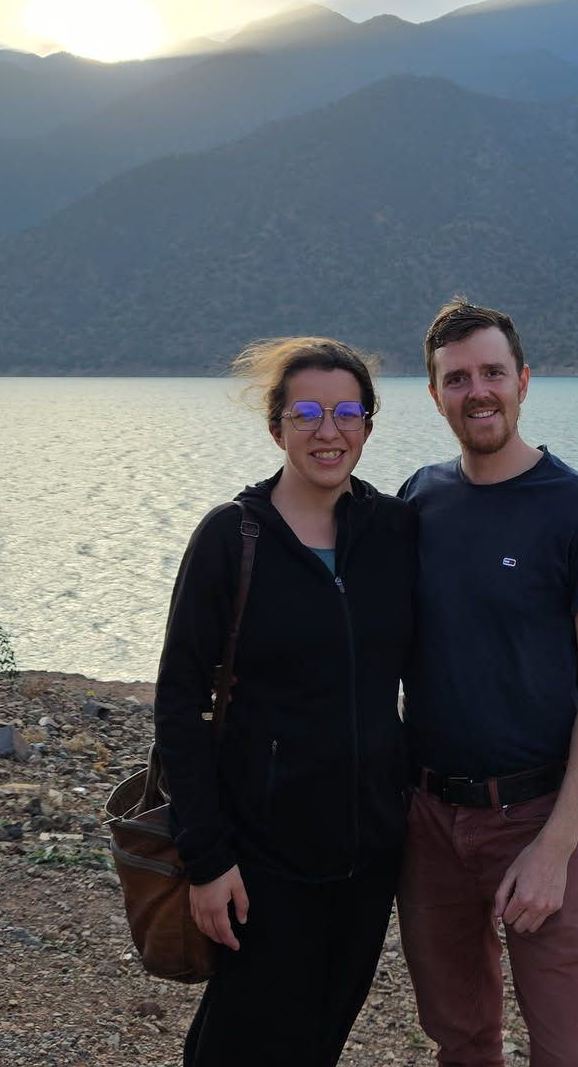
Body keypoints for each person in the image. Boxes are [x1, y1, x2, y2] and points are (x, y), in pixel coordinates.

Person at [154, 337, 418, 1067]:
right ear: (277, 428)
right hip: (261, 859)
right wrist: (207, 859)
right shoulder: (230, 537)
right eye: (306, 413)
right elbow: (178, 702)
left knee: (320, 1037)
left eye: (346, 413)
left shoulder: (395, 531)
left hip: (369, 856)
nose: (327, 431)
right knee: (240, 1042)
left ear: (367, 426)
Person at [397, 299, 578, 1067]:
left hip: (536, 814)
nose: (478, 391)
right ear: (436, 395)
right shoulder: (416, 500)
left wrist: (556, 846)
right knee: (460, 1041)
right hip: (429, 821)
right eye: (457, 378)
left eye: (492, 373)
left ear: (523, 381)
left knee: (570, 1052)